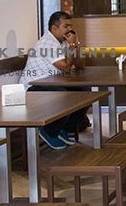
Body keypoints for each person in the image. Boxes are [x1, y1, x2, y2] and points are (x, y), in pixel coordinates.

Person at [22, 11, 88, 150]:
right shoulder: (47, 43)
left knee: (84, 91)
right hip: (33, 87)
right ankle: (49, 131)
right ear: (54, 28)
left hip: (51, 83)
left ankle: (62, 128)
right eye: (66, 26)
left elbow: (80, 65)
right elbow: (65, 67)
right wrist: (71, 47)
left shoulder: (62, 42)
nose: (69, 29)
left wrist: (76, 45)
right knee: (63, 95)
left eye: (70, 26)